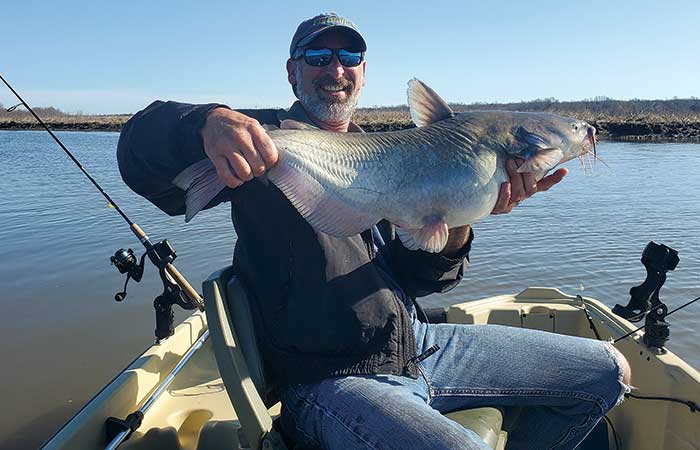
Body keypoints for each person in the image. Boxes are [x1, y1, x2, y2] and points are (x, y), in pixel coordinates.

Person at [117, 13, 631, 450]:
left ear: (363, 73)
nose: (334, 69)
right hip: (329, 380)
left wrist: (458, 223)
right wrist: (206, 123)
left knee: (609, 372)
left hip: (418, 345)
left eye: (349, 58)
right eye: (317, 57)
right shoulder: (260, 145)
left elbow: (423, 277)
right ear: (293, 72)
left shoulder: (396, 154)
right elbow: (136, 152)